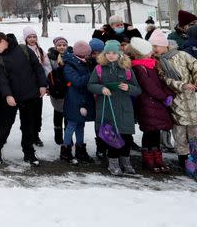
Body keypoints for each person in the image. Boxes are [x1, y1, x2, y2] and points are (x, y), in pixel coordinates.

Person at [153, 29, 197, 171]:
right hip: (177, 102)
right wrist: (182, 85)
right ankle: (184, 161)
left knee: (196, 132)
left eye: (156, 46)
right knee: (180, 134)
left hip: (196, 100)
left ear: (164, 45)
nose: (154, 49)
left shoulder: (183, 55)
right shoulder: (158, 63)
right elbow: (165, 80)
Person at [0, 31, 48, 166]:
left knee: (28, 126)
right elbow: (2, 80)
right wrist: (8, 95)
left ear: (3, 41)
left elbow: (37, 68)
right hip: (11, 98)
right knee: (5, 126)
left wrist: (42, 85)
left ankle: (29, 153)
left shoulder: (23, 49)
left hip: (30, 95)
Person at [87, 40, 142, 176]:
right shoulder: (99, 68)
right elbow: (90, 85)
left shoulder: (127, 70)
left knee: (126, 138)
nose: (111, 56)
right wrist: (101, 88)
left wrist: (128, 87)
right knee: (111, 137)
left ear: (120, 54)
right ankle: (113, 163)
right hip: (107, 108)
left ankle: (126, 162)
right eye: (108, 53)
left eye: (114, 53)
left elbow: (137, 90)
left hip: (124, 109)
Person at [128, 37, 173, 173]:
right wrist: (163, 96)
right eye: (148, 51)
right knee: (149, 131)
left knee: (156, 131)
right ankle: (148, 158)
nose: (151, 53)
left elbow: (162, 81)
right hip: (147, 103)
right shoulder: (139, 67)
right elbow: (149, 86)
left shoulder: (152, 64)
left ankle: (157, 157)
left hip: (157, 103)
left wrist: (168, 93)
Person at [60, 41, 95, 164]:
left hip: (83, 98)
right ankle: (65, 150)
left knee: (81, 124)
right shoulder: (70, 65)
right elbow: (77, 81)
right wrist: (91, 75)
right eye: (87, 54)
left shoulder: (85, 63)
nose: (89, 56)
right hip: (74, 99)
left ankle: (80, 150)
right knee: (72, 125)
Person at [22, 26, 49, 148]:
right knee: (28, 112)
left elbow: (46, 67)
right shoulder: (22, 50)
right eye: (29, 37)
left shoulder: (40, 51)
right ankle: (27, 135)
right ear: (25, 38)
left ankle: (36, 135)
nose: (32, 39)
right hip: (27, 86)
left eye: (34, 37)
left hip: (39, 85)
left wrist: (46, 83)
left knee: (38, 112)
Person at [47, 36, 70, 145]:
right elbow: (48, 71)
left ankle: (67, 135)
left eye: (64, 45)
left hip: (68, 88)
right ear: (55, 46)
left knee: (68, 112)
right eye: (59, 45)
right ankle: (58, 135)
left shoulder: (70, 56)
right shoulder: (51, 57)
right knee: (58, 111)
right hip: (56, 88)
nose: (62, 47)